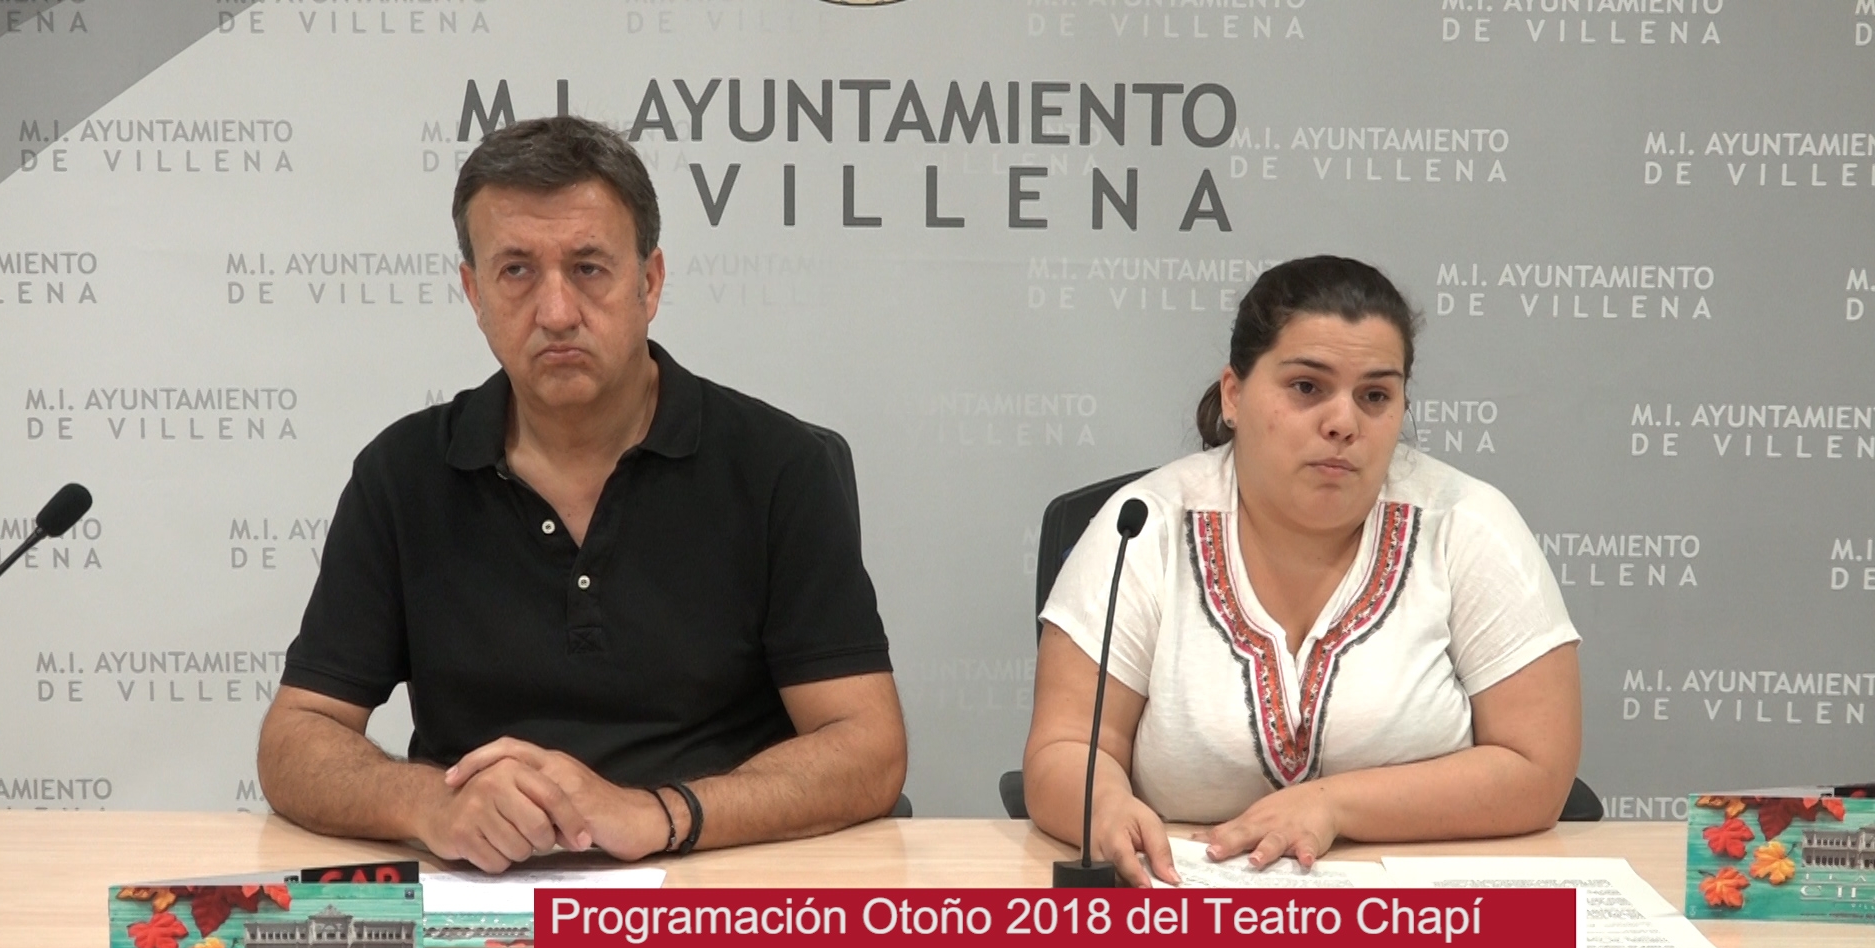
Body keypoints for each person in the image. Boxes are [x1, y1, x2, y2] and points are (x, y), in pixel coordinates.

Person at [257, 116, 906, 873]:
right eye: (516, 271)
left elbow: (868, 748)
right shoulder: (402, 474)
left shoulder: (777, 467)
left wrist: (657, 814)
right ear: (473, 292)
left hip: (713, 877)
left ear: (649, 282)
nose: (557, 311)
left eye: (589, 268)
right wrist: (429, 804)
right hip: (479, 886)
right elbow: (296, 737)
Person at [1025, 255, 1581, 887]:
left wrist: (1332, 805)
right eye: (1307, 388)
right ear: (1234, 395)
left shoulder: (1466, 524)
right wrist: (1103, 809)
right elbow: (1066, 749)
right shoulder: (1144, 526)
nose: (1343, 422)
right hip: (1176, 899)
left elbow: (1538, 768)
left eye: (1375, 396)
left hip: (1424, 912)